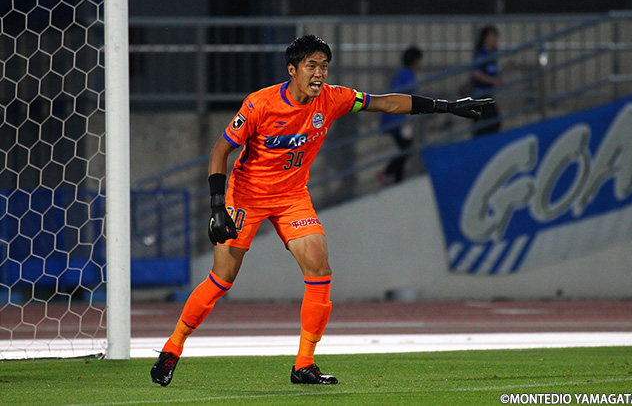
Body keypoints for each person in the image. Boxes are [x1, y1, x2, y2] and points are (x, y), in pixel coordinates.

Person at [150, 35, 492, 387]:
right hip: (246, 197)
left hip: (292, 197)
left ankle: (304, 364)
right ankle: (172, 349)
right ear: (292, 70)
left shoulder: (333, 98)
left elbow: (385, 103)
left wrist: (446, 106)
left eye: (324, 66)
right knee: (222, 279)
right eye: (311, 66)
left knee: (319, 269)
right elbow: (219, 151)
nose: (319, 74)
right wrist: (217, 205)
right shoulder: (259, 104)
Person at [377, 46, 423, 186]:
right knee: (406, 149)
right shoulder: (408, 75)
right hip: (398, 118)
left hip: (394, 117)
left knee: (405, 149)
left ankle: (397, 178)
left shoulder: (401, 74)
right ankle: (388, 173)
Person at [471, 25, 505, 136]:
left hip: (488, 95)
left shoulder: (491, 56)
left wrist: (505, 68)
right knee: (489, 124)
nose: (495, 40)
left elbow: (494, 74)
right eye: (492, 37)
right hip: (481, 95)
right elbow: (476, 73)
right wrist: (492, 81)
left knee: (492, 123)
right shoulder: (482, 54)